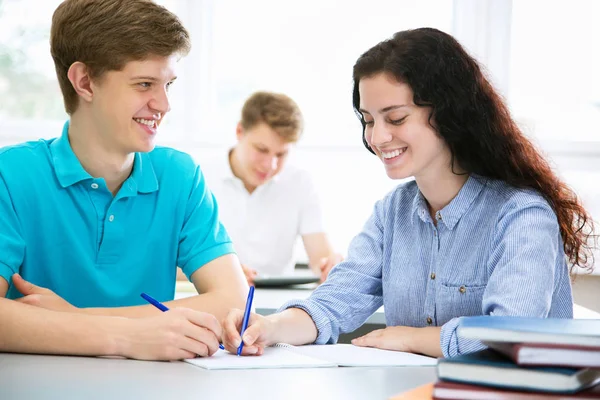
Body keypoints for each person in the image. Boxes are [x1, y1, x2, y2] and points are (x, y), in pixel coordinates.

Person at [221, 28, 595, 359]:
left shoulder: (521, 214)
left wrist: (412, 338)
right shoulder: (392, 213)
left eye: (396, 118)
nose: (377, 137)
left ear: (450, 114)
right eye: (369, 120)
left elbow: (509, 336)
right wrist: (268, 328)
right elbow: (333, 304)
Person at [0, 0, 247, 358]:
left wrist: (74, 320)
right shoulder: (11, 175)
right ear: (84, 82)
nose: (163, 104)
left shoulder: (180, 176)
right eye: (145, 84)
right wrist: (126, 337)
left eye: (168, 84)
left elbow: (233, 303)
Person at [199, 91, 343, 284]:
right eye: (262, 149)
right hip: (212, 295)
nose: (270, 165)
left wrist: (331, 265)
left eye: (281, 154)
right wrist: (223, 272)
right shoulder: (199, 178)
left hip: (276, 305)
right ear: (239, 132)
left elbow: (321, 258)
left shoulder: (299, 183)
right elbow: (169, 263)